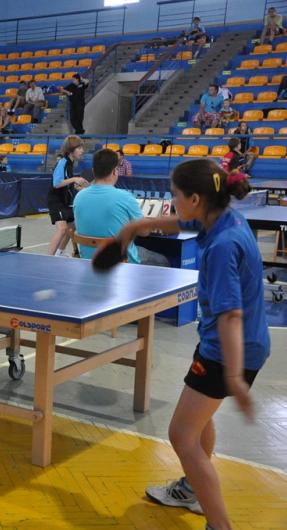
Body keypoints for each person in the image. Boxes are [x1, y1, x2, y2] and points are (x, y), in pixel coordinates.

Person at [116, 160, 269, 530]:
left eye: (175, 195)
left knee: (181, 435)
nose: (172, 201)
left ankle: (219, 524)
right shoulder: (223, 218)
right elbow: (180, 223)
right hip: (240, 344)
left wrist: (234, 377)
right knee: (199, 420)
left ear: (196, 198)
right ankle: (191, 489)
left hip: (227, 351)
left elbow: (230, 315)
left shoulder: (222, 245)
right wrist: (137, 225)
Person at [73, 149, 170, 266]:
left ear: (93, 171)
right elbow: (144, 232)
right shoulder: (125, 197)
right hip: (121, 261)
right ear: (115, 171)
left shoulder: (79, 196)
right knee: (162, 261)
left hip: (88, 260)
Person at [46, 135, 89, 256]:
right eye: (79, 148)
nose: (82, 151)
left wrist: (75, 186)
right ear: (71, 150)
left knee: (72, 227)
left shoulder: (70, 163)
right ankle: (48, 257)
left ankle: (59, 253)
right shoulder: (63, 162)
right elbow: (56, 183)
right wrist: (74, 179)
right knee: (62, 229)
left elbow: (65, 182)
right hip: (56, 200)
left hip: (65, 200)